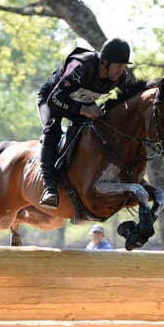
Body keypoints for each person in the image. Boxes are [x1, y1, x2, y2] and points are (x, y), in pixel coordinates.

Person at [36, 37, 136, 209]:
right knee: (52, 131)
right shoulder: (81, 67)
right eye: (118, 65)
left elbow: (134, 95)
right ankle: (49, 187)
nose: (122, 70)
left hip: (83, 101)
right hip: (52, 99)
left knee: (101, 129)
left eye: (124, 66)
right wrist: (84, 110)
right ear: (104, 62)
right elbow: (55, 98)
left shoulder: (121, 77)